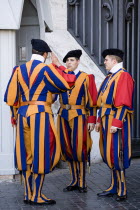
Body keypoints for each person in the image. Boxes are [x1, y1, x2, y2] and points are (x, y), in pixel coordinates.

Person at [4, 39, 76, 205]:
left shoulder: (19, 69)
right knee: (41, 152)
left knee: (25, 154)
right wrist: (58, 65)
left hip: (22, 114)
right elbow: (66, 83)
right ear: (45, 54)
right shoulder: (46, 68)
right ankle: (36, 195)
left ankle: (27, 194)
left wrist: (14, 115)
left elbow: (10, 97)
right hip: (40, 114)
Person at [52, 49, 97, 193]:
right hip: (63, 114)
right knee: (67, 148)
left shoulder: (86, 77)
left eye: (71, 60)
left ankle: (82, 181)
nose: (68, 63)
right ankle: (73, 180)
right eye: (67, 61)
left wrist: (92, 119)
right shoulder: (61, 77)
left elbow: (93, 100)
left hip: (80, 115)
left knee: (80, 148)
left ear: (78, 61)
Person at [95, 48, 134, 201]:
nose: (104, 62)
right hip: (106, 120)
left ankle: (122, 189)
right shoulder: (110, 77)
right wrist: (98, 120)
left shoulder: (123, 76)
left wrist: (116, 123)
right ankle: (113, 186)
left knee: (118, 153)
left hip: (115, 121)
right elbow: (102, 102)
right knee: (110, 153)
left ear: (114, 61)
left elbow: (123, 102)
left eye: (106, 60)